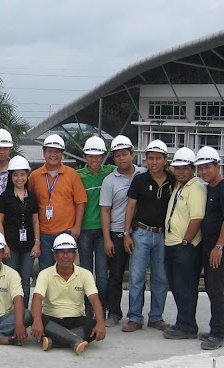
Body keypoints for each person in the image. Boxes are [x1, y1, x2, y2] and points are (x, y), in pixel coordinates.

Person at [122, 139, 175, 332]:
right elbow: (131, 206)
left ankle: (156, 317)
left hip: (163, 235)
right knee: (136, 277)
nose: (154, 162)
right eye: (150, 158)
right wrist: (127, 233)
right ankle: (135, 317)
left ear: (165, 160)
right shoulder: (140, 179)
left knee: (161, 277)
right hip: (141, 233)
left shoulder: (172, 180)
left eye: (158, 158)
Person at [195, 146, 224, 350]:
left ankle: (218, 333)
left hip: (223, 248)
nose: (204, 172)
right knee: (215, 289)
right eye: (201, 168)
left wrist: (219, 247)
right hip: (211, 247)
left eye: (208, 167)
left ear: (217, 166)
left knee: (215, 289)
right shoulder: (210, 188)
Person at [30, 234, 106, 355]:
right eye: (61, 252)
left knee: (93, 326)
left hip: (76, 319)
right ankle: (75, 339)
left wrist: (101, 323)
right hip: (52, 319)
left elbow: (95, 299)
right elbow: (37, 299)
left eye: (69, 252)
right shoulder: (45, 274)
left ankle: (53, 341)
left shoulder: (85, 274)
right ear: (55, 255)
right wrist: (37, 321)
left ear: (75, 255)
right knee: (34, 318)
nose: (65, 256)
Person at [99, 135, 146, 327]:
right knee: (116, 275)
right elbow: (105, 210)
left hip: (140, 231)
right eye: (117, 156)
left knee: (138, 276)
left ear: (132, 155)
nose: (121, 158)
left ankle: (136, 315)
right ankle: (114, 312)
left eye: (125, 154)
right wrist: (107, 238)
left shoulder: (144, 174)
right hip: (117, 232)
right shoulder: (110, 181)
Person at [162, 147, 206, 340]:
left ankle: (188, 326)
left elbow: (197, 218)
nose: (180, 172)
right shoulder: (181, 185)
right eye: (177, 168)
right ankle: (182, 322)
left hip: (185, 246)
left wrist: (186, 242)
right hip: (173, 243)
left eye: (185, 168)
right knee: (177, 285)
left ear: (193, 169)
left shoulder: (196, 188)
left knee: (186, 286)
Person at [29, 134, 87, 270]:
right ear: (44, 152)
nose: (53, 155)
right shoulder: (35, 176)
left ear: (62, 154)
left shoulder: (72, 174)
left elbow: (80, 202)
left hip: (66, 231)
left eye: (57, 152)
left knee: (66, 270)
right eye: (50, 151)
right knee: (46, 270)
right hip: (44, 233)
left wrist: (77, 227)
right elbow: (30, 203)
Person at [76, 136, 115, 312]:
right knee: (85, 273)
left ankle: (102, 307)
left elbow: (131, 170)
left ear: (104, 156)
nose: (94, 159)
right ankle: (88, 309)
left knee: (102, 275)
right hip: (84, 230)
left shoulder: (111, 172)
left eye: (98, 156)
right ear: (84, 157)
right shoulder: (78, 176)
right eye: (91, 156)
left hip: (102, 231)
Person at [0, 155, 40, 308]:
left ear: (27, 175)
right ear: (11, 176)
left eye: (22, 174)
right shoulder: (5, 197)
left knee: (25, 280)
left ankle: (24, 311)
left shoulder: (32, 197)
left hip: (28, 246)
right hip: (11, 246)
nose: (19, 178)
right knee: (10, 279)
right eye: (15, 175)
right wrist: (4, 245)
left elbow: (35, 221)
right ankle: (10, 311)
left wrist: (37, 243)